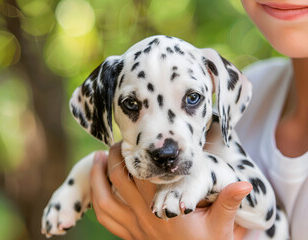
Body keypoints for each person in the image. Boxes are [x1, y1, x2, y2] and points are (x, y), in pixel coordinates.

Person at [89, 0, 308, 239]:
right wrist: (86, 178)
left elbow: (263, 211)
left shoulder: (225, 110)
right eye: (131, 104)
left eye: (192, 98)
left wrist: (205, 172)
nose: (164, 144)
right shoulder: (253, 93)